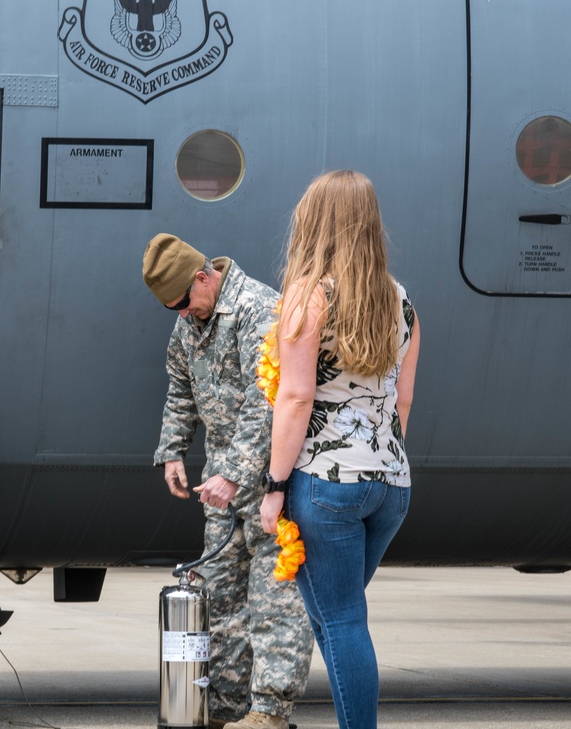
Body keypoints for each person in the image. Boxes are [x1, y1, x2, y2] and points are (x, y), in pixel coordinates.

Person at [259, 171, 420, 729]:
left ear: (316, 221)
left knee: (343, 619)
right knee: (335, 616)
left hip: (326, 483)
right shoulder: (401, 301)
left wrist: (275, 485)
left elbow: (297, 396)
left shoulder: (308, 295)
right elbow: (402, 403)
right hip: (390, 484)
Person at [143, 233, 312, 729]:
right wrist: (172, 450)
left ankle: (269, 711)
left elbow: (271, 402)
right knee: (218, 601)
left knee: (273, 603)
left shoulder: (260, 310)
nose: (179, 312)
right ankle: (224, 708)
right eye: (170, 307)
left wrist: (234, 476)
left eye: (182, 301)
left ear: (203, 277)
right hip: (222, 488)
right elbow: (180, 387)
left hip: (269, 485)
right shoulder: (191, 323)